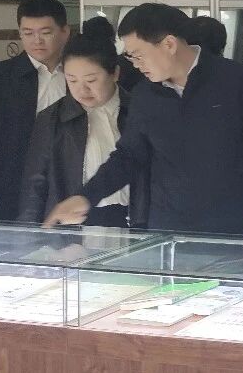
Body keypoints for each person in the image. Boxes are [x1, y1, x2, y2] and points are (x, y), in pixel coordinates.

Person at [42, 3, 243, 237]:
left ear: (169, 44)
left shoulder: (236, 80)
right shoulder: (145, 94)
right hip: (168, 227)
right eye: (130, 57)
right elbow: (129, 155)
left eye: (138, 55)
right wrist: (86, 196)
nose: (135, 65)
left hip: (233, 223)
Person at [18, 19, 148, 228]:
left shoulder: (140, 111)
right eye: (72, 80)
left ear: (115, 73)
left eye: (91, 80)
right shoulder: (52, 118)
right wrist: (30, 234)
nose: (82, 90)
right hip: (74, 223)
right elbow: (35, 183)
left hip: (135, 219)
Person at [0, 0, 70, 221]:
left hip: (68, 183)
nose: (37, 41)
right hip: (12, 187)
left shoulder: (79, 74)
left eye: (46, 32)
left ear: (64, 32)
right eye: (28, 33)